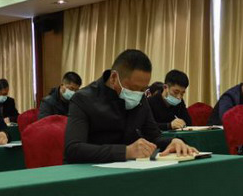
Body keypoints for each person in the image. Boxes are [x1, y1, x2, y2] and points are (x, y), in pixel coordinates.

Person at [64, 49, 197, 163]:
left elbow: (154, 136)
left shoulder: (140, 98)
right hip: (91, 172)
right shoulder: (83, 99)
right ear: (114, 78)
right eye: (133, 88)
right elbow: (74, 149)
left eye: (143, 89)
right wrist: (126, 151)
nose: (138, 94)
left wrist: (172, 142)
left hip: (132, 169)